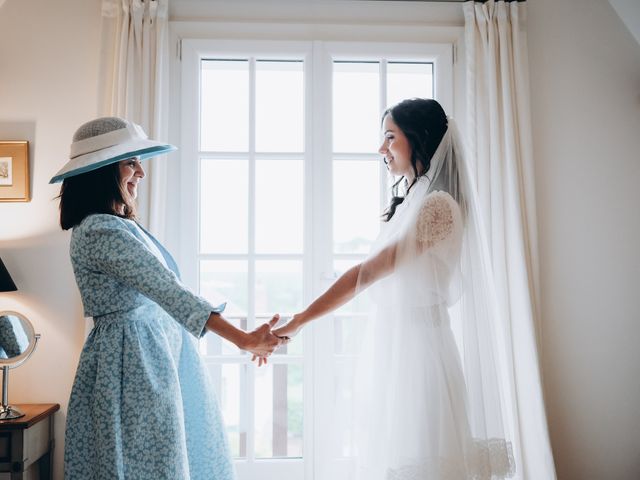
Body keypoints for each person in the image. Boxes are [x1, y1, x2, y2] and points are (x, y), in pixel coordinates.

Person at [274, 99, 515, 479]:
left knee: (425, 461)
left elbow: (368, 273)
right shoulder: (412, 200)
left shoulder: (438, 206)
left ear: (418, 140)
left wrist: (302, 318)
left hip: (421, 358)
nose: (381, 149)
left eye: (390, 138)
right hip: (399, 349)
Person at [51, 117, 284, 479]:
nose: (141, 172)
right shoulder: (99, 229)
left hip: (148, 353)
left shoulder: (117, 225)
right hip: (131, 362)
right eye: (131, 162)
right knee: (145, 464)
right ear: (102, 171)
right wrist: (244, 339)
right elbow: (168, 290)